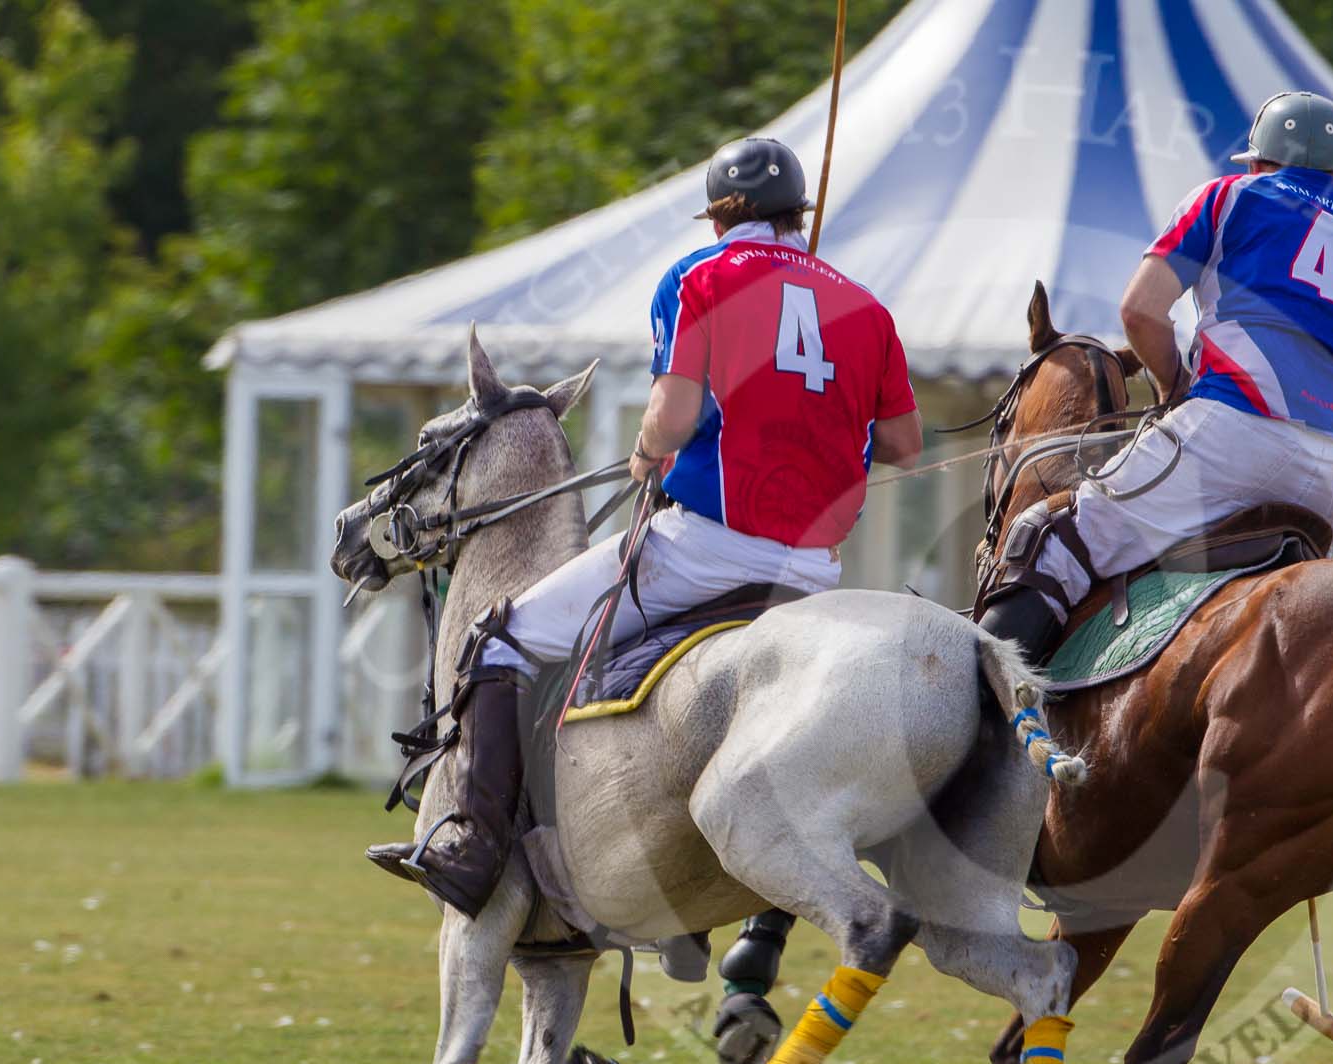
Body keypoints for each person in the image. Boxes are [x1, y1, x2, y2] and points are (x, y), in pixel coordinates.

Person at [369, 137, 923, 921]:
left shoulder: (700, 277)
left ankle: (475, 846)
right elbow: (905, 444)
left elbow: (676, 413)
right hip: (813, 577)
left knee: (499, 636)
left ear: (722, 211)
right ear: (798, 213)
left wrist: (643, 453)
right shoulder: (865, 307)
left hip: (706, 553)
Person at [978, 91, 1333, 663]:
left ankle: (981, 722)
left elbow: (1141, 311)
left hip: (1233, 432)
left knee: (1052, 538)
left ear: (1257, 164)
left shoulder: (1226, 197)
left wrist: (1174, 384)